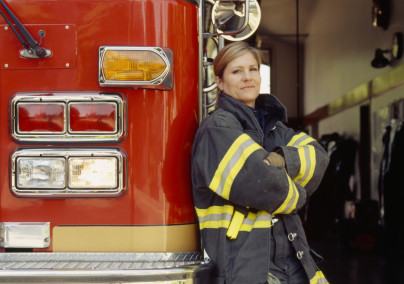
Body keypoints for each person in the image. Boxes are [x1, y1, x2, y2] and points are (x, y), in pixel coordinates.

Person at [191, 42, 330, 284]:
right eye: (237, 71)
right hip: (247, 265)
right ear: (220, 82)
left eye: (253, 69)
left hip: (294, 261)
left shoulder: (276, 127)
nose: (247, 78)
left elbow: (319, 158)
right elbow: (262, 184)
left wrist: (280, 159)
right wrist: (298, 197)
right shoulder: (218, 128)